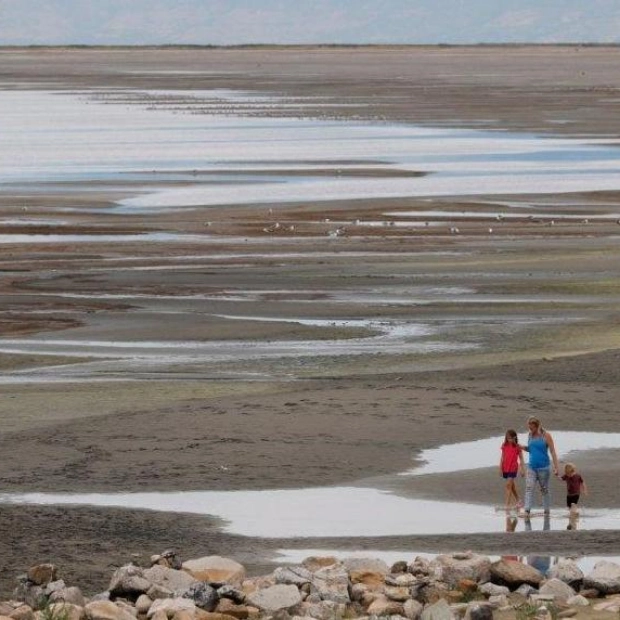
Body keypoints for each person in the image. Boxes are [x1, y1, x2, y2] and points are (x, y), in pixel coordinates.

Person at [521, 416, 560, 516]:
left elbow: (552, 451)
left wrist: (556, 467)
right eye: (529, 427)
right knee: (529, 488)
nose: (530, 430)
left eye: (532, 428)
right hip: (531, 467)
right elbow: (530, 449)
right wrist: (521, 447)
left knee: (544, 489)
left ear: (537, 426)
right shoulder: (530, 435)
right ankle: (527, 510)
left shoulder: (546, 436)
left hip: (544, 467)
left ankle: (546, 511)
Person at [499, 429, 525, 510]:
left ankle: (507, 505)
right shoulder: (504, 445)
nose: (509, 440)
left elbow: (521, 458)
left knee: (508, 486)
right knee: (512, 486)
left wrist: (522, 469)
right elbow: (502, 457)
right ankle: (519, 501)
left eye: (510, 438)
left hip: (513, 468)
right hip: (505, 467)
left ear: (514, 438)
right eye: (507, 438)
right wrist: (500, 467)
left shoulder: (517, 446)